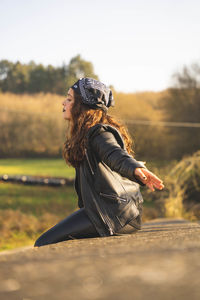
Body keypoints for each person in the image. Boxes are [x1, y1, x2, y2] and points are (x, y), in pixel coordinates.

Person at [34, 78, 164, 247]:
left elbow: (114, 154)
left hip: (113, 215)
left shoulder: (99, 133)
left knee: (43, 242)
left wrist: (135, 168)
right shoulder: (87, 134)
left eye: (69, 99)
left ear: (82, 106)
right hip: (118, 213)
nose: (63, 102)